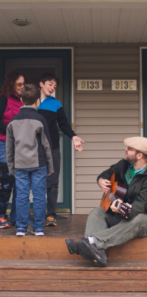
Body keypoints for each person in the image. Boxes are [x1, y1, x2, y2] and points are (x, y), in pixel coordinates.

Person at [65, 137, 147, 267]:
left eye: (129, 149)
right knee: (97, 212)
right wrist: (101, 180)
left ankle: (92, 242)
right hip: (124, 214)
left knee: (139, 219)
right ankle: (97, 252)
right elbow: (107, 173)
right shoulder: (125, 164)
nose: (125, 149)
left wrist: (124, 210)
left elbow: (142, 207)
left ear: (139, 155)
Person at [6, 84, 54, 236]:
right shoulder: (40, 119)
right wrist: (50, 167)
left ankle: (21, 227)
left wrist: (11, 167)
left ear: (21, 99)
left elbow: (9, 147)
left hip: (19, 165)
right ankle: (38, 228)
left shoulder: (13, 121)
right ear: (37, 101)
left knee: (21, 195)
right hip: (39, 164)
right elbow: (47, 145)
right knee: (39, 195)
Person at [38, 73, 85, 226]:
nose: (52, 88)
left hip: (53, 147)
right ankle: (36, 214)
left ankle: (50, 214)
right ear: (41, 84)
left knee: (52, 181)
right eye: (50, 84)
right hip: (34, 148)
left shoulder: (56, 103)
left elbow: (63, 124)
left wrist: (74, 137)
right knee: (35, 180)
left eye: (54, 86)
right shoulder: (31, 101)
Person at [0, 70, 24, 228]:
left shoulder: (22, 102)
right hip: (4, 145)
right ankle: (1, 216)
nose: (22, 87)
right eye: (19, 84)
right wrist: (11, 131)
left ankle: (15, 218)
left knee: (19, 182)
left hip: (19, 147)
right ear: (11, 84)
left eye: (23, 84)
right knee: (5, 182)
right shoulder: (3, 99)